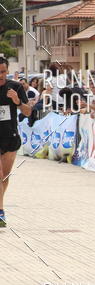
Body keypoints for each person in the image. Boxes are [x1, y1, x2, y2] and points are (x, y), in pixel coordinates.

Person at [0, 57, 31, 227]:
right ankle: (1, 212)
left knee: (4, 176)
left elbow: (28, 112)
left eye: (3, 72)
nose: (1, 75)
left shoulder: (15, 87)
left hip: (10, 137)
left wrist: (17, 101)